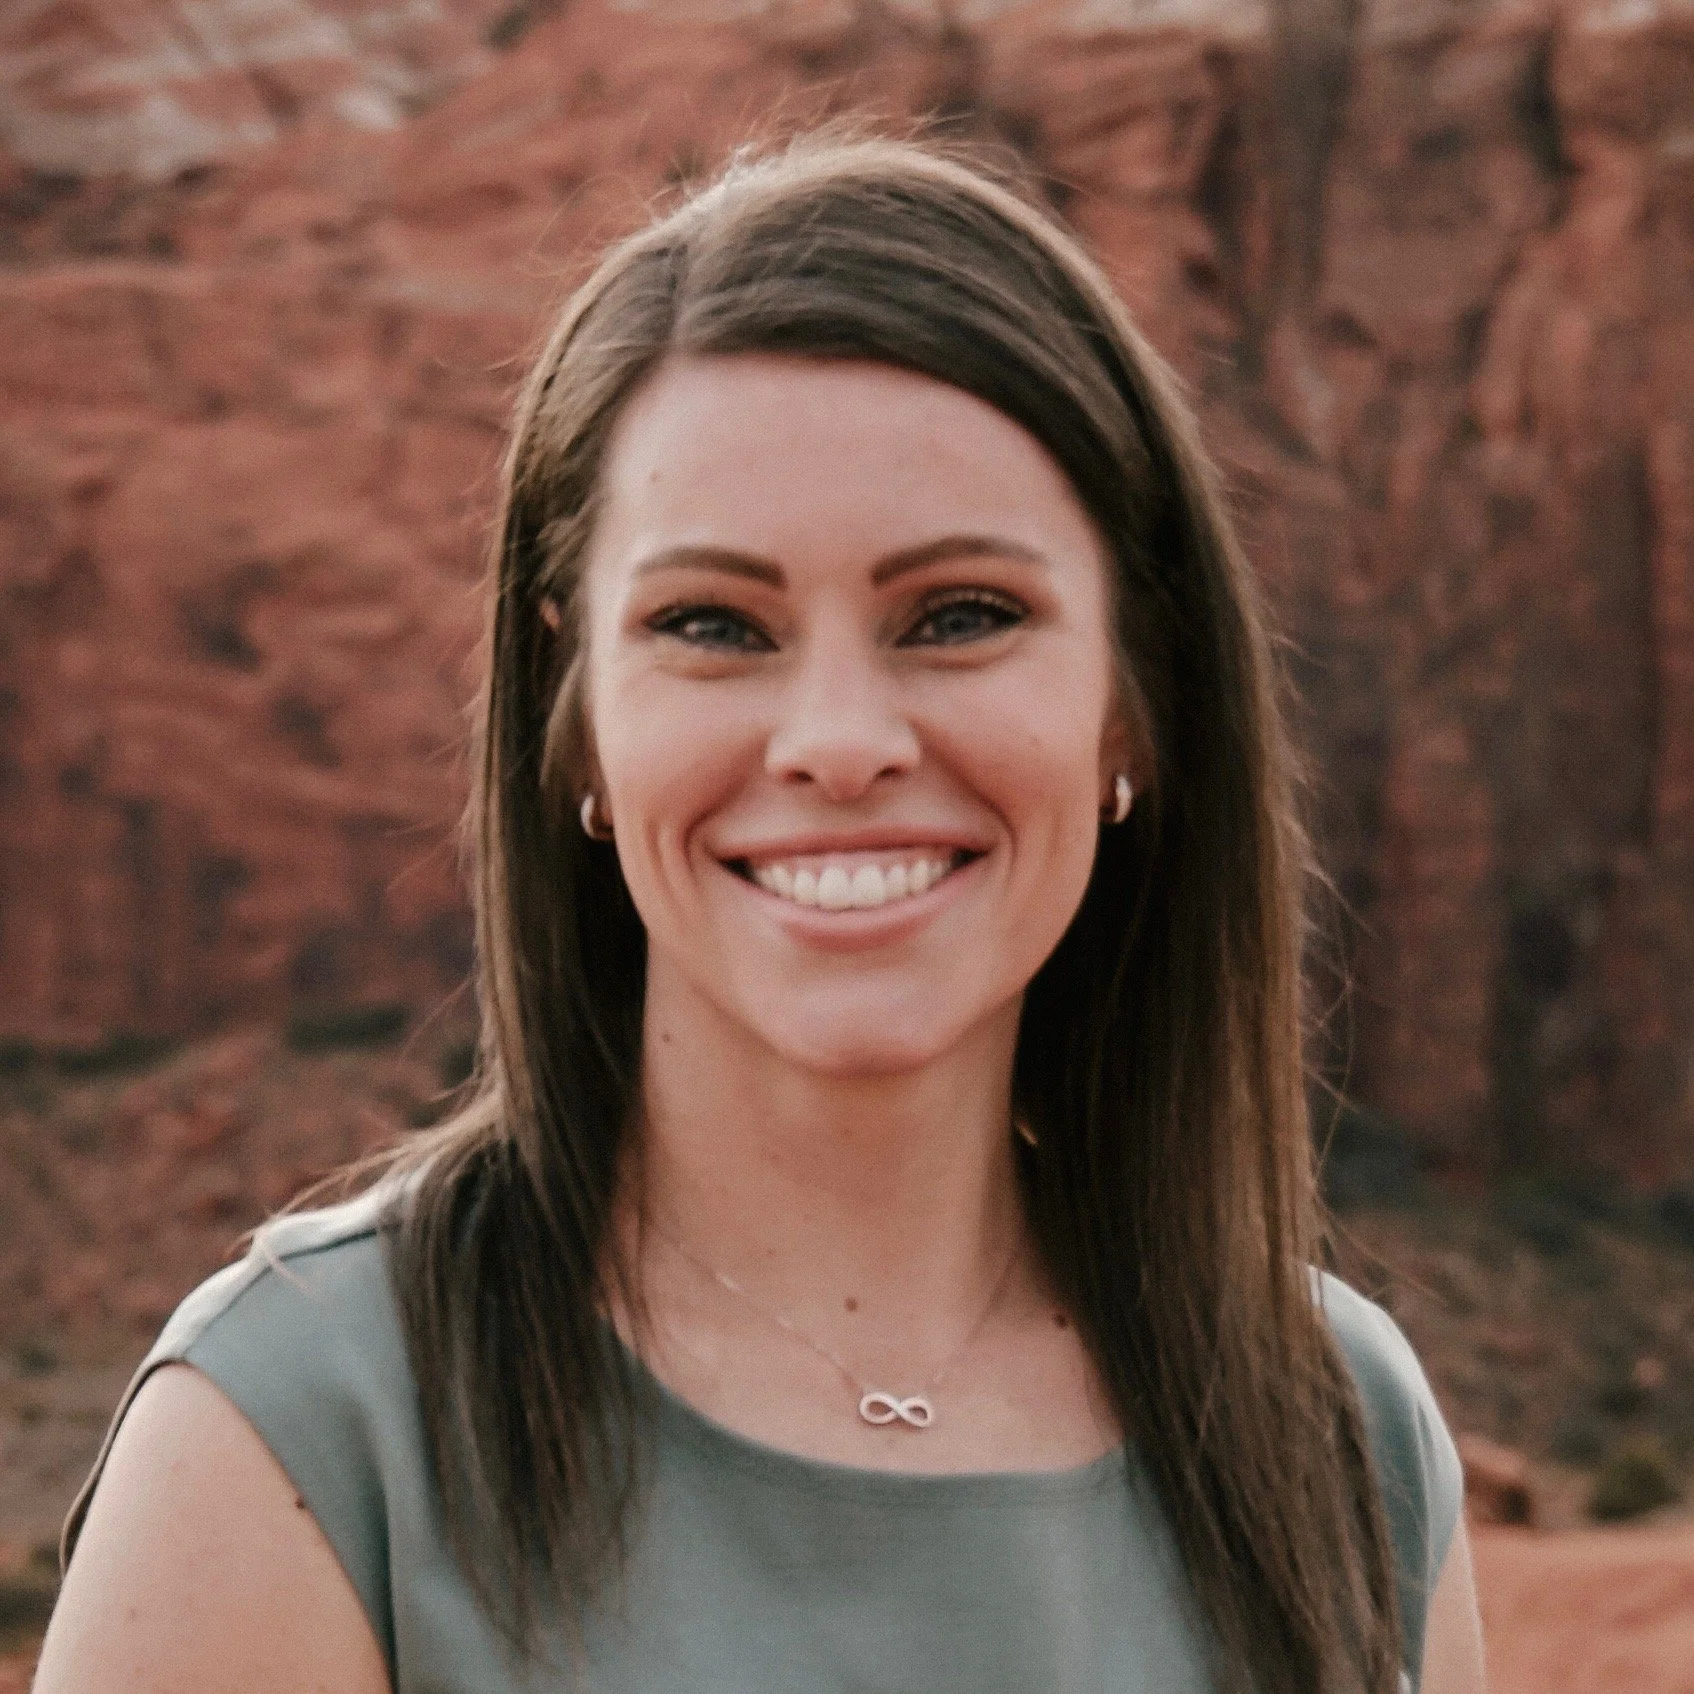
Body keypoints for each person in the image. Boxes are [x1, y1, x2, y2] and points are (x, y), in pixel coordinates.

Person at [34, 135, 1486, 1694]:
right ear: (578, 718)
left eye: (961, 616)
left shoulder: (1340, 1436)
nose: (838, 740)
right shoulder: (304, 1428)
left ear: (1132, 702)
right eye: (711, 626)